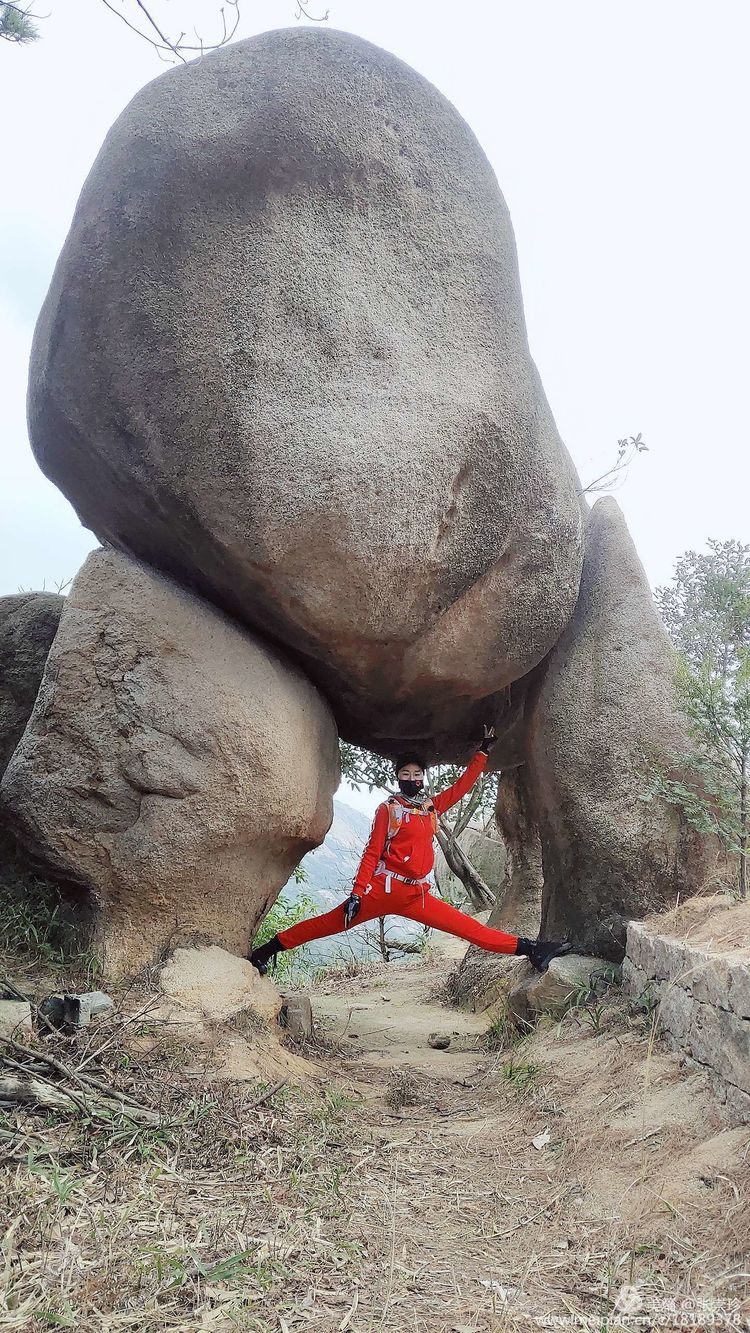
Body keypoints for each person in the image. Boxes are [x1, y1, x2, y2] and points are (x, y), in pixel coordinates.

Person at [249, 726, 572, 975]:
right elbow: (371, 853)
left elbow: (462, 787)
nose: (412, 779)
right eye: (406, 775)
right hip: (382, 891)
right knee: (328, 924)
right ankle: (266, 951)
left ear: (423, 778)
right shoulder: (387, 810)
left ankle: (532, 950)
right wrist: (358, 893)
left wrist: (483, 753)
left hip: (417, 895)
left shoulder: (431, 806)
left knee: (470, 929)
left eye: (417, 775)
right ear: (398, 778)